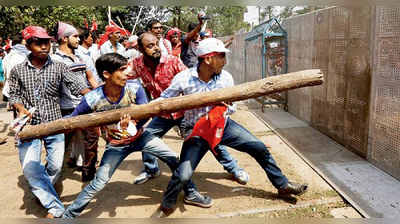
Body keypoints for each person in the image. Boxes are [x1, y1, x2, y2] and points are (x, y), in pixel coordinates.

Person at [156, 38, 309, 216]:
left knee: (259, 148)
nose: (225, 60)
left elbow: (234, 108)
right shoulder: (183, 78)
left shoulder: (226, 77)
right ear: (207, 59)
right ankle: (166, 205)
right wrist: (144, 110)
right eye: (221, 56)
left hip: (223, 126)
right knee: (183, 174)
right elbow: (164, 99)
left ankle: (282, 185)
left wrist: (227, 106)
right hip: (197, 131)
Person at [61, 53, 211, 218]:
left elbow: (146, 112)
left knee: (174, 160)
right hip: (117, 144)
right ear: (106, 74)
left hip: (141, 137)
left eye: (127, 68)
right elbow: (72, 120)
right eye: (122, 69)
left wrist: (134, 124)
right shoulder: (92, 99)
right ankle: (69, 215)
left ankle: (190, 192)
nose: (127, 73)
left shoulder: (134, 87)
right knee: (98, 183)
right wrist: (42, 129)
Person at [128, 32, 249, 186]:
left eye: (157, 44)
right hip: (162, 113)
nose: (155, 48)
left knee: (210, 140)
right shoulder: (137, 65)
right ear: (140, 49)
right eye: (150, 46)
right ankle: (151, 169)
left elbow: (191, 77)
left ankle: (234, 168)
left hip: (185, 113)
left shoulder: (172, 62)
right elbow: (122, 76)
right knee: (147, 138)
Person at [8, 25, 90, 218]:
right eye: (38, 42)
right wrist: (20, 108)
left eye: (47, 42)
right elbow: (13, 96)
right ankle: (54, 207)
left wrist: (96, 97)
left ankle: (43, 190)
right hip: (28, 127)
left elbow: (77, 85)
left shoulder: (59, 66)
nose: (44, 46)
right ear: (28, 46)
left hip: (54, 124)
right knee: (30, 167)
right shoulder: (18, 70)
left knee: (54, 167)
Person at [51, 22, 99, 181]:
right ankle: (50, 177)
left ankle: (89, 175)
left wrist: (98, 93)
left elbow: (90, 77)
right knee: (60, 145)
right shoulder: (54, 60)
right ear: (64, 39)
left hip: (85, 103)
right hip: (67, 107)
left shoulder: (80, 56)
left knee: (91, 140)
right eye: (75, 36)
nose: (79, 39)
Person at [1, 35, 30, 113]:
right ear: (19, 44)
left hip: (13, 87)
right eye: (25, 43)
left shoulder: (11, 56)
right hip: (19, 89)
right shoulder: (18, 57)